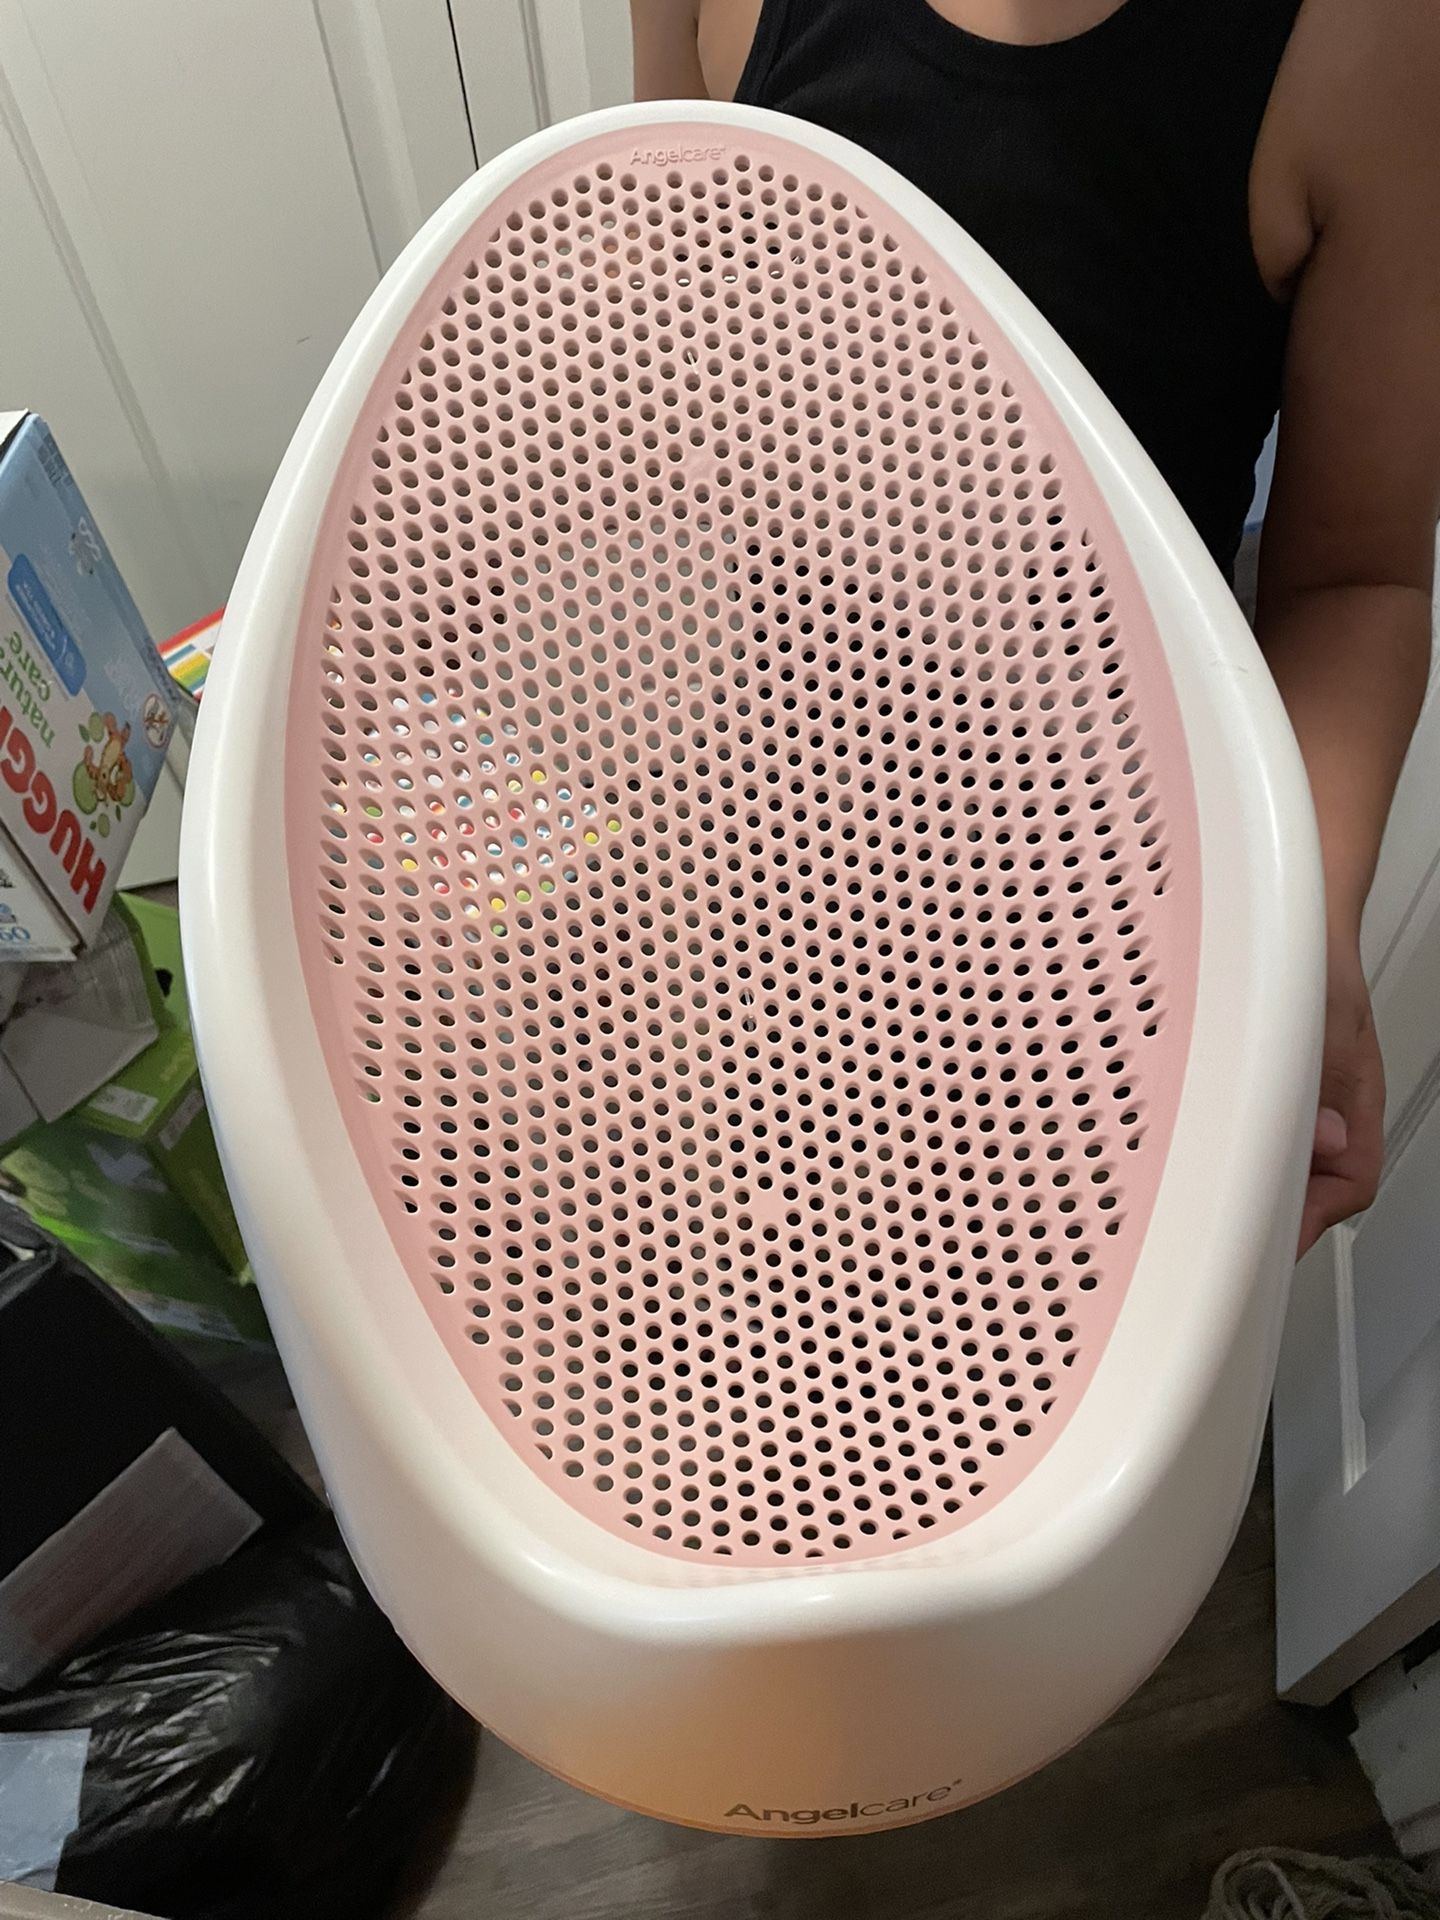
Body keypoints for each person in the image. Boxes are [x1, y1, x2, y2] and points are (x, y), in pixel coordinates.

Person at [630, 0, 1440, 1255]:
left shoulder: (1371, 42)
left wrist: (1311, 923)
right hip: (759, 854)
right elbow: (651, 331)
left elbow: (1355, 582)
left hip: (1094, 940)